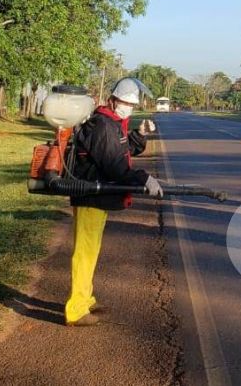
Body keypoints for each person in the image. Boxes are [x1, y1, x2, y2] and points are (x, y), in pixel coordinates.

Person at [64, 77, 162, 327]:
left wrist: (138, 135)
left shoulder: (112, 123)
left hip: (98, 196)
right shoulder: (103, 125)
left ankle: (85, 298)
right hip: (91, 195)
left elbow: (121, 149)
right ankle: (76, 309)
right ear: (113, 100)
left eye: (131, 104)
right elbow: (115, 165)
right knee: (85, 252)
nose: (128, 107)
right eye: (125, 102)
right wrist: (145, 177)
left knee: (91, 250)